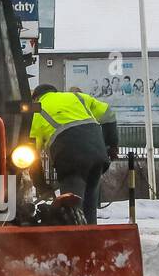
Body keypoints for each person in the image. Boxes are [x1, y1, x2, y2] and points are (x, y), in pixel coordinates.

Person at [30, 84, 118, 224]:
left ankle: (75, 242)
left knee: (72, 210)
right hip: (97, 154)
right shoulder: (75, 97)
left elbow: (32, 157)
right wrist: (111, 146)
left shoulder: (37, 109)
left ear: (36, 99)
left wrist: (41, 185)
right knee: (89, 206)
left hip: (70, 158)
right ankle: (92, 241)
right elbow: (109, 113)